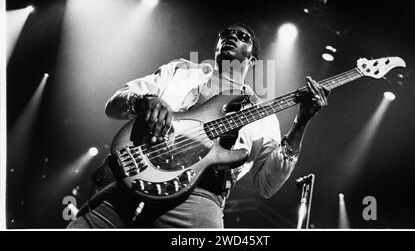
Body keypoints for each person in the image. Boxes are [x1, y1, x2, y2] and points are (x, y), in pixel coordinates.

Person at [67, 23, 329, 228]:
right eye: (227, 33)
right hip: (133, 177)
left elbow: (267, 185)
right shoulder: (179, 71)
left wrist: (301, 121)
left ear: (253, 59)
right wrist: (144, 102)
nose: (232, 36)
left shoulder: (263, 116)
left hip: (198, 198)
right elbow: (113, 106)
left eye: (243, 36)